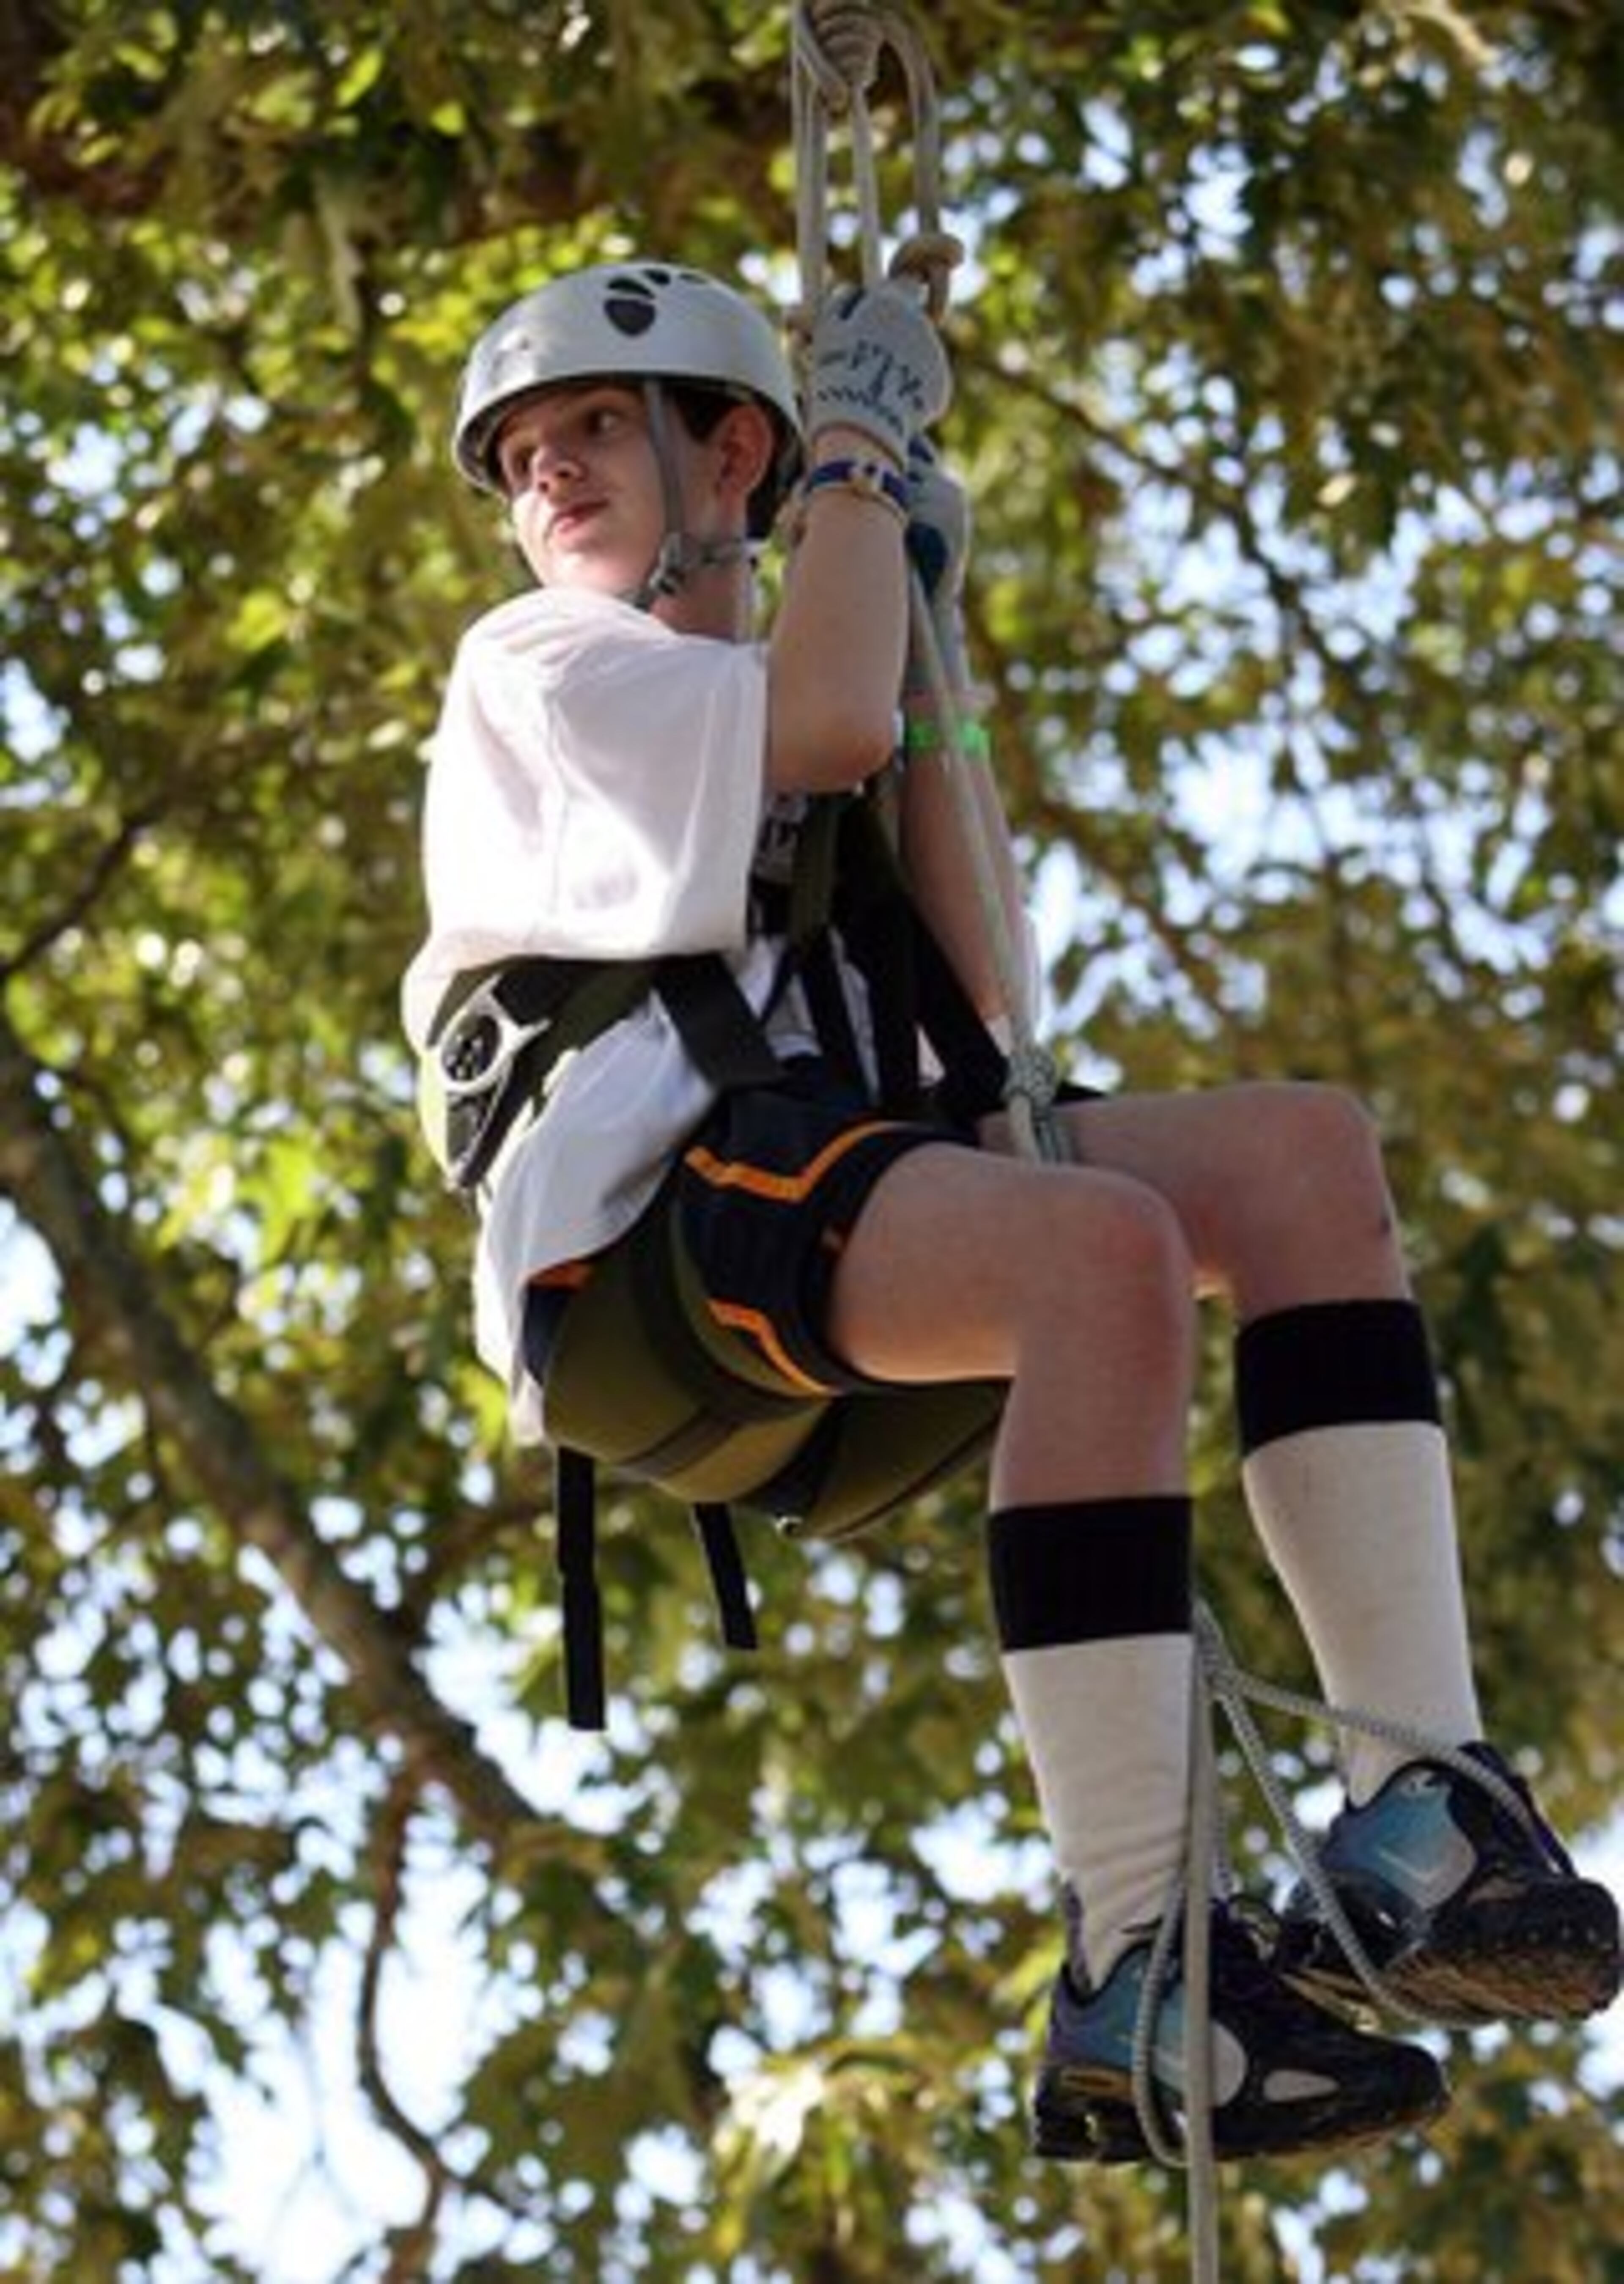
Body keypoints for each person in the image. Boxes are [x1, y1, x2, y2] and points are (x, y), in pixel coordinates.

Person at [403, 257, 1620, 2166]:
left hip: (840, 1188)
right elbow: (811, 736)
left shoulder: (772, 671)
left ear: (722, 450)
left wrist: (924, 646)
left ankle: (1425, 1811)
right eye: (522, 456)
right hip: (637, 1249)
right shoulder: (547, 666)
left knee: (1304, 1161)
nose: (545, 478)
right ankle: (1139, 1959)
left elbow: (989, 1015)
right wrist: (865, 461)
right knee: (1101, 1253)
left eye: (587, 435)